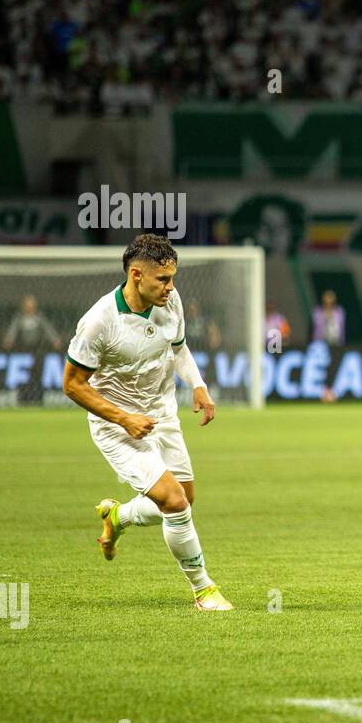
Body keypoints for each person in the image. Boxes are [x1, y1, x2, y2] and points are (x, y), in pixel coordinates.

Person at [62, 233, 231, 611]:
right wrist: (123, 418)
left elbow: (179, 346)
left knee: (185, 498)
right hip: (116, 424)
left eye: (173, 278)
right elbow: (72, 385)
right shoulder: (99, 322)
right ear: (136, 275)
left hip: (162, 413)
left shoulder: (169, 302)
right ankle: (204, 591)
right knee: (173, 502)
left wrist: (198, 386)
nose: (171, 288)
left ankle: (118, 516)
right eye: (163, 280)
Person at [3, 295, 62, 404]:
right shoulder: (20, 318)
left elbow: (48, 329)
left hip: (37, 350)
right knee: (23, 376)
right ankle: (23, 398)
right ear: (24, 306)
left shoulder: (39, 318)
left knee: (38, 374)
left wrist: (54, 339)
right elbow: (13, 330)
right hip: (23, 351)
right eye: (28, 305)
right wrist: (9, 339)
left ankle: (39, 398)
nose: (30, 307)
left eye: (32, 305)